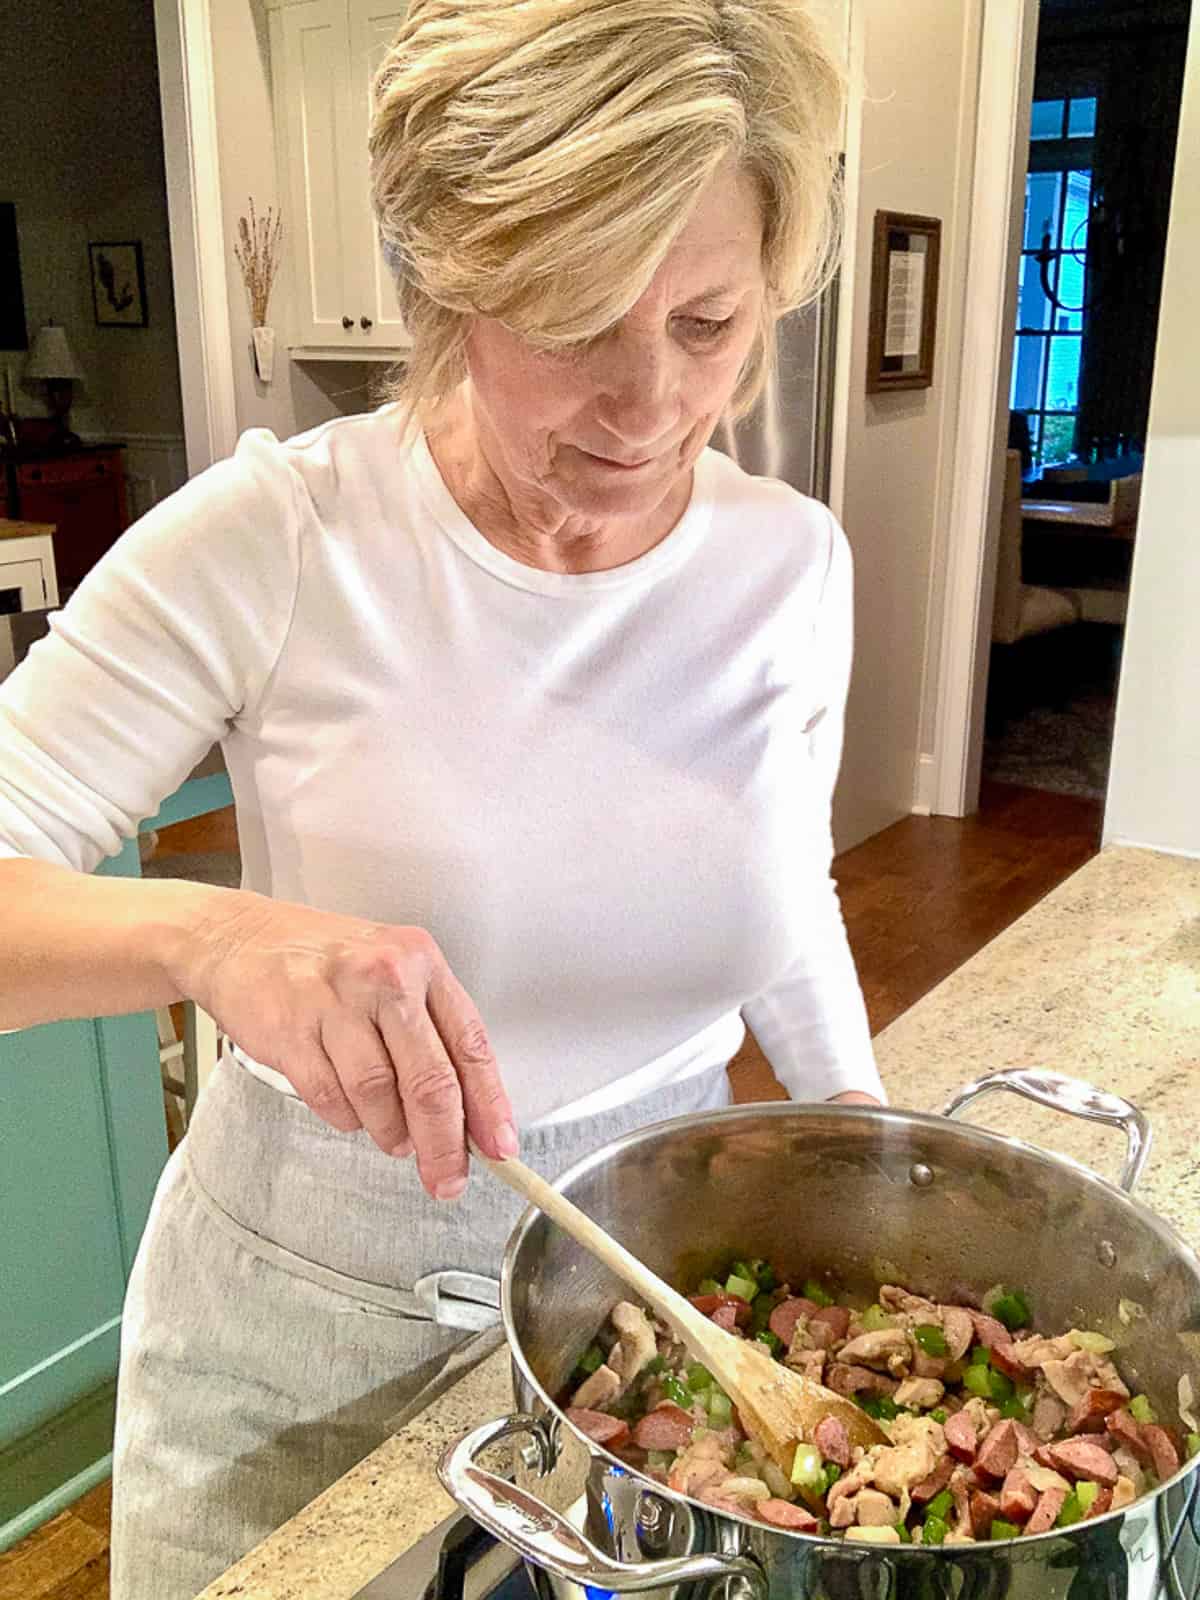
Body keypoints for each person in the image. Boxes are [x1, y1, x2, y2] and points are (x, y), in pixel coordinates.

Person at [0, 1, 885, 1593]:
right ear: (450, 280)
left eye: (707, 326)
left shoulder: (790, 562)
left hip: (652, 1327)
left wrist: (879, 1162)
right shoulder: (277, 538)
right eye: (572, 319)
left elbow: (786, 885)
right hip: (300, 1340)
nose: (645, 411)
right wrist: (213, 941)